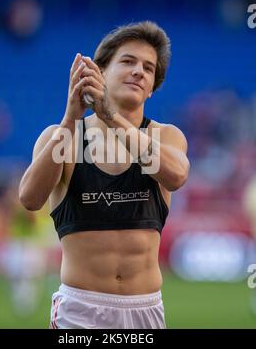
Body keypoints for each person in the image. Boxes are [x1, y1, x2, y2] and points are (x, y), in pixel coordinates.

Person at [19, 21, 190, 329]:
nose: (139, 71)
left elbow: (176, 176)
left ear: (152, 88)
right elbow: (30, 199)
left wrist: (110, 115)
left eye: (149, 68)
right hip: (80, 311)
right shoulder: (61, 137)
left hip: (145, 311)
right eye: (127, 61)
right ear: (99, 72)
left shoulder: (166, 137)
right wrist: (71, 118)